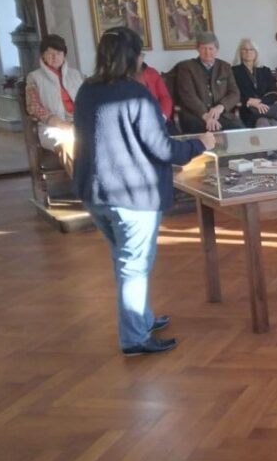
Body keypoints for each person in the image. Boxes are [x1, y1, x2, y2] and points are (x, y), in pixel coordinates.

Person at [72, 27, 215, 355]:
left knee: (124, 261)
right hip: (131, 195)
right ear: (133, 57)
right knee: (134, 265)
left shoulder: (86, 90)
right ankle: (135, 338)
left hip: (95, 192)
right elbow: (162, 148)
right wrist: (200, 144)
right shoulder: (136, 94)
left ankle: (143, 319)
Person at [25, 34, 84, 161]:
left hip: (80, 123)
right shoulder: (34, 77)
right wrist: (60, 123)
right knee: (68, 145)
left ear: (64, 55)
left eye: (58, 53)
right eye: (50, 53)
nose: (55, 57)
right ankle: (78, 174)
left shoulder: (76, 75)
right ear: (43, 56)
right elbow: (33, 107)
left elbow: (89, 99)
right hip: (52, 126)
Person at [173, 32, 242, 134]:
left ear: (217, 49)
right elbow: (188, 95)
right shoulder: (186, 67)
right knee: (210, 132)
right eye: (203, 48)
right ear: (197, 49)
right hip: (196, 116)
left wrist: (221, 107)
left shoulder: (225, 67)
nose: (207, 52)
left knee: (240, 130)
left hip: (222, 114)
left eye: (211, 48)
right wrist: (206, 116)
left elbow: (234, 93)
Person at [232, 38, 277, 128]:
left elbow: (274, 93)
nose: (248, 52)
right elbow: (233, 94)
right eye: (244, 49)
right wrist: (249, 101)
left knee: (274, 123)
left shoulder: (265, 70)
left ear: (256, 52)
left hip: (268, 108)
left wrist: (260, 101)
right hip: (248, 110)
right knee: (262, 122)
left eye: (251, 49)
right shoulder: (233, 71)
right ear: (239, 52)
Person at [138, 54, 173, 122]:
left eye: (141, 55)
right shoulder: (121, 74)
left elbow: (165, 97)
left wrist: (163, 116)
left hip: (157, 116)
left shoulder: (152, 72)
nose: (140, 58)